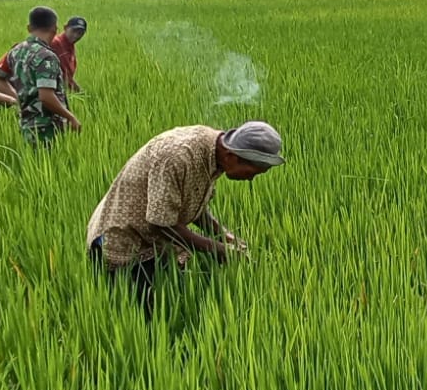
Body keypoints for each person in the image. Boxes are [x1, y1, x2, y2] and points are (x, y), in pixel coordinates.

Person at [87, 121, 285, 315]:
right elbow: (161, 223)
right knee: (142, 318)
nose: (251, 179)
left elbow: (191, 201)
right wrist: (217, 249)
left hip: (155, 243)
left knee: (173, 303)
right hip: (123, 241)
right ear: (232, 156)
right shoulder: (178, 156)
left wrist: (223, 234)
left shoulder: (215, 153)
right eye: (252, 173)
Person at [0, 6, 81, 146]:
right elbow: (46, 97)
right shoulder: (47, 56)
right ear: (55, 29)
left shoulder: (16, 51)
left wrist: (18, 99)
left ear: (29, 28)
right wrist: (70, 117)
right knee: (49, 165)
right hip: (47, 127)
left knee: (35, 163)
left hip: (26, 124)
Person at [54, 16, 87, 93]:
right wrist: (80, 92)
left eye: (80, 33)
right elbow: (64, 76)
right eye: (73, 31)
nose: (76, 36)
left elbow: (67, 75)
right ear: (65, 27)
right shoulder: (56, 43)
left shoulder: (70, 45)